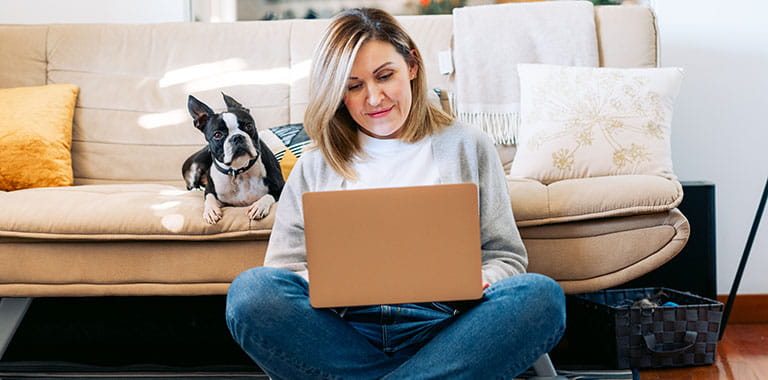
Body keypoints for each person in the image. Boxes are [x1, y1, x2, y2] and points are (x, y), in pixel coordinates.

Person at [225, 8, 565, 379]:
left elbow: (505, 256)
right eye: (354, 86)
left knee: (540, 298)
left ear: (412, 66)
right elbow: (283, 269)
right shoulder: (316, 164)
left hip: (448, 325)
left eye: (385, 76)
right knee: (250, 293)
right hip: (345, 330)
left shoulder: (469, 146)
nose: (374, 98)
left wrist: (486, 279)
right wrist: (317, 281)